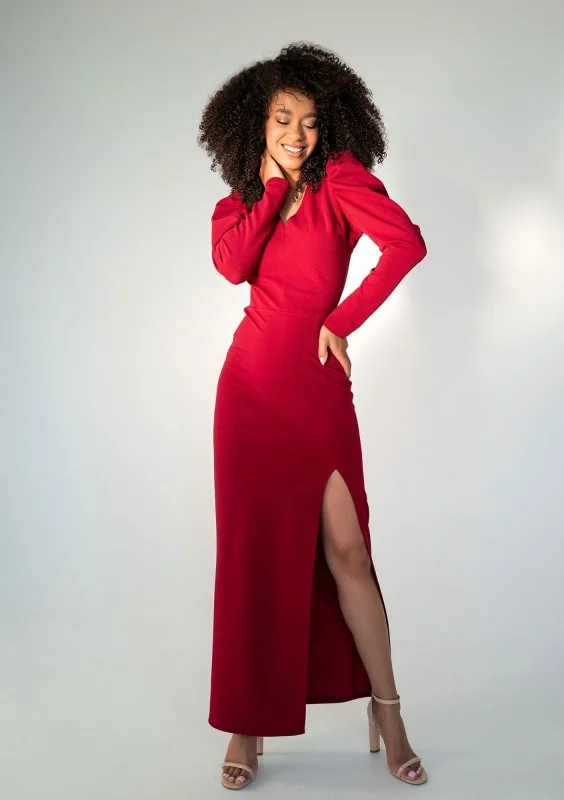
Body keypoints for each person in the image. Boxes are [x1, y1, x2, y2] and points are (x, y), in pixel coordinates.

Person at [198, 42, 428, 790]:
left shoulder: (342, 182)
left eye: (308, 120)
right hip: (249, 393)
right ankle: (247, 724)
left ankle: (388, 712)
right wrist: (269, 192)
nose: (296, 133)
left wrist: (341, 320)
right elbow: (233, 265)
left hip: (317, 389)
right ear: (256, 125)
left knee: (348, 550)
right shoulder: (237, 205)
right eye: (281, 118)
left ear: (328, 125)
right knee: (252, 560)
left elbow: (405, 244)